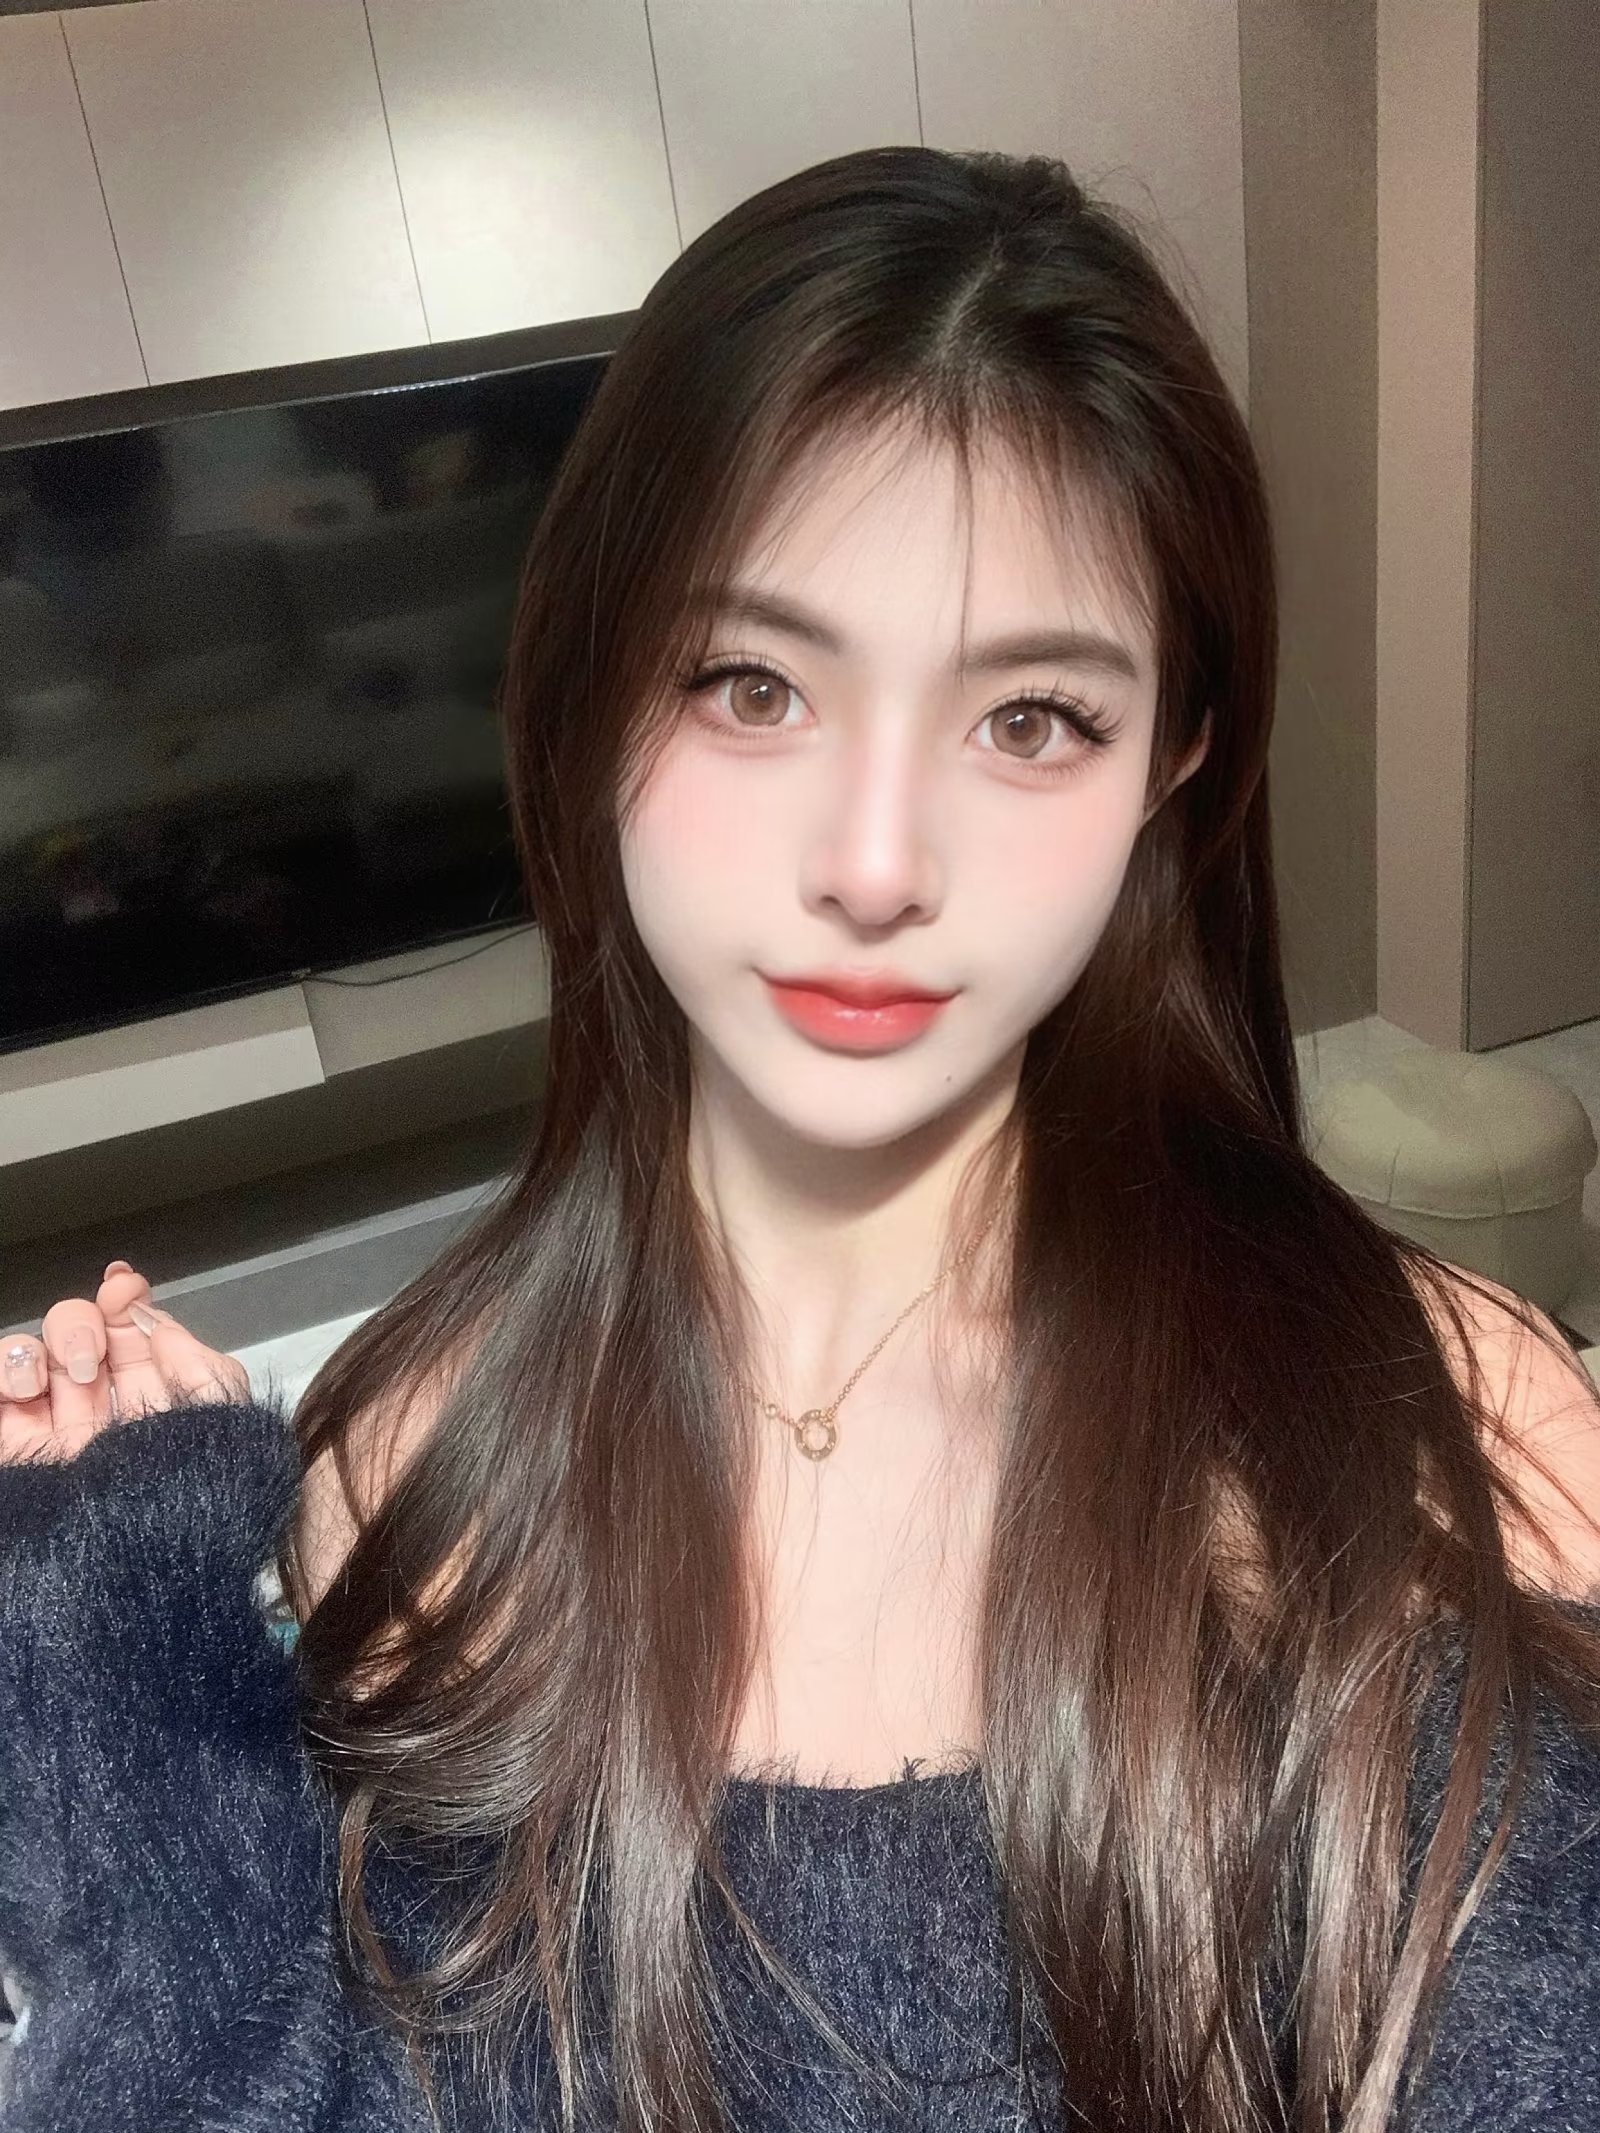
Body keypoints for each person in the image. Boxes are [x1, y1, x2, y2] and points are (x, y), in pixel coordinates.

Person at [3, 143, 1600, 2133]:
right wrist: (112, 1628)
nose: (873, 862)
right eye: (750, 683)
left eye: (1030, 718)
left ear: (1171, 760)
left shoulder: (1445, 1446)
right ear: (588, 689)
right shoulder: (399, 1466)